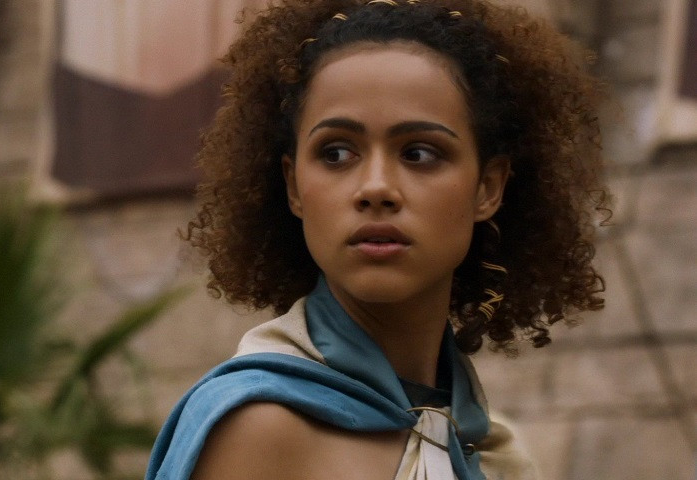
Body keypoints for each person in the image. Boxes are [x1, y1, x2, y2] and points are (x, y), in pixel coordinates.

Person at [146, 0, 607, 479]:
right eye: (336, 153)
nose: (376, 188)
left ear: (488, 188)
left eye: (420, 153)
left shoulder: (491, 451)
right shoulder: (259, 430)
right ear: (293, 186)